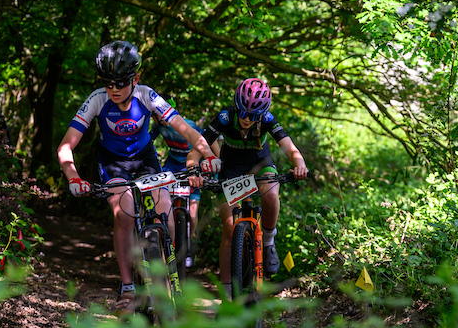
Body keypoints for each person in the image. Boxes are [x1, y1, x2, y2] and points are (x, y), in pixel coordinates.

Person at [57, 40, 220, 312]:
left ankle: (167, 278)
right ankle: (127, 287)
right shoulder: (98, 99)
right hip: (114, 164)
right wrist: (73, 176)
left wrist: (210, 155)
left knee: (165, 210)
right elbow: (66, 146)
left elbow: (187, 130)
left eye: (121, 82)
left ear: (136, 78)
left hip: (146, 160)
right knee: (124, 211)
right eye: (108, 83)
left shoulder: (147, 95)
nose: (114, 89)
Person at [201, 78, 308, 301]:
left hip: (260, 162)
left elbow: (288, 146)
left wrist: (299, 165)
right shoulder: (225, 117)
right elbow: (201, 143)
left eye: (253, 115)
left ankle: (268, 241)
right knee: (230, 227)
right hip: (231, 168)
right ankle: (227, 294)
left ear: (262, 112)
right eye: (242, 112)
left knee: (270, 193)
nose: (246, 119)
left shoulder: (267, 119)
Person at [150, 114, 206, 269]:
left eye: (159, 116)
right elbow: (147, 142)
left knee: (193, 215)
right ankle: (168, 244)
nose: (158, 119)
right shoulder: (158, 126)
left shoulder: (188, 124)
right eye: (154, 116)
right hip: (172, 165)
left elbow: (206, 139)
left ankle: (187, 245)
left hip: (192, 166)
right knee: (165, 205)